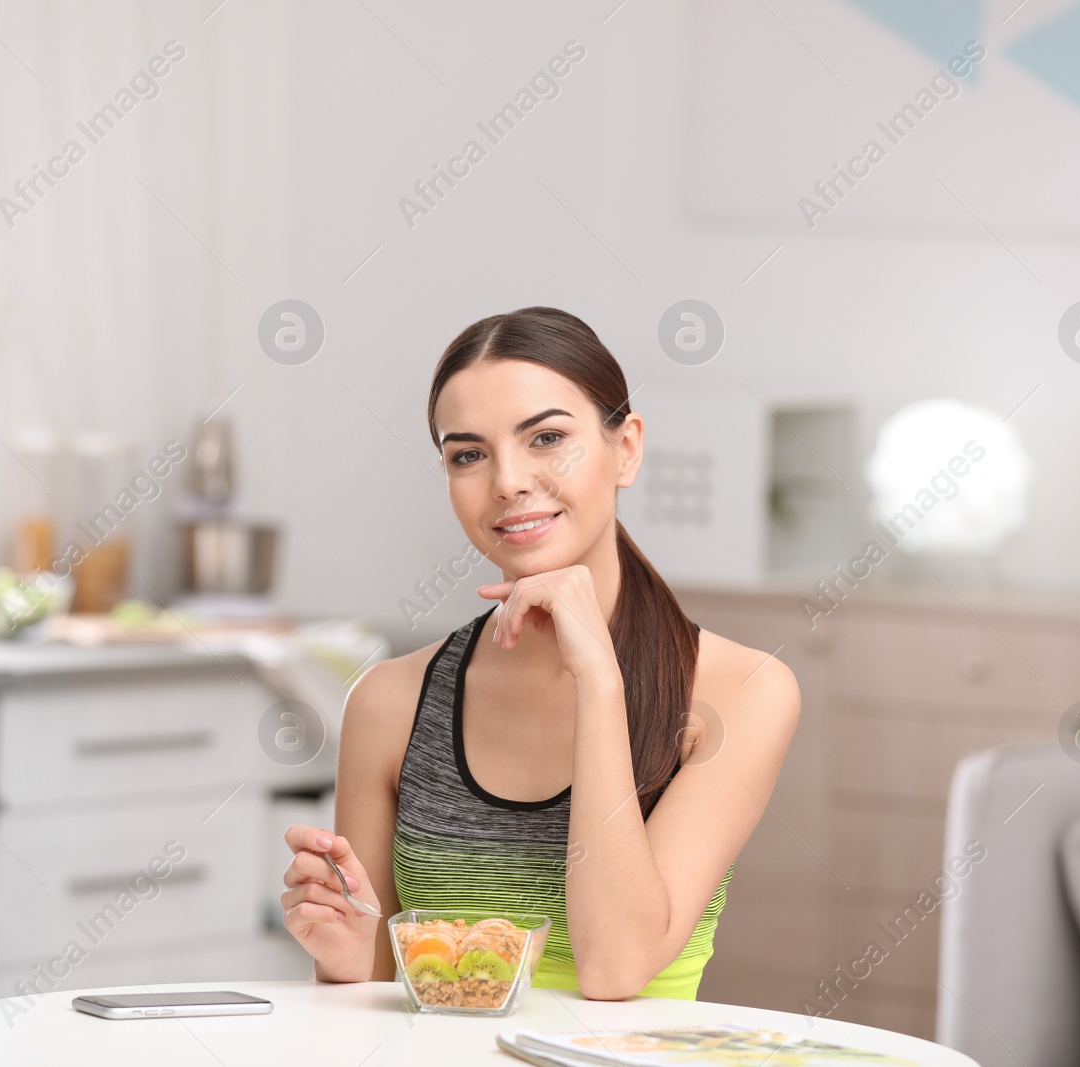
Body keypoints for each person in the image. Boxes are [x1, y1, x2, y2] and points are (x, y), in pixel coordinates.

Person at [281, 306, 800, 1001]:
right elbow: (372, 1011)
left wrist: (599, 680)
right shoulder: (389, 702)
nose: (507, 481)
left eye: (548, 437)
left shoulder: (745, 691)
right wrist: (343, 959)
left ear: (627, 448)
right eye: (468, 454)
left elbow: (614, 968)